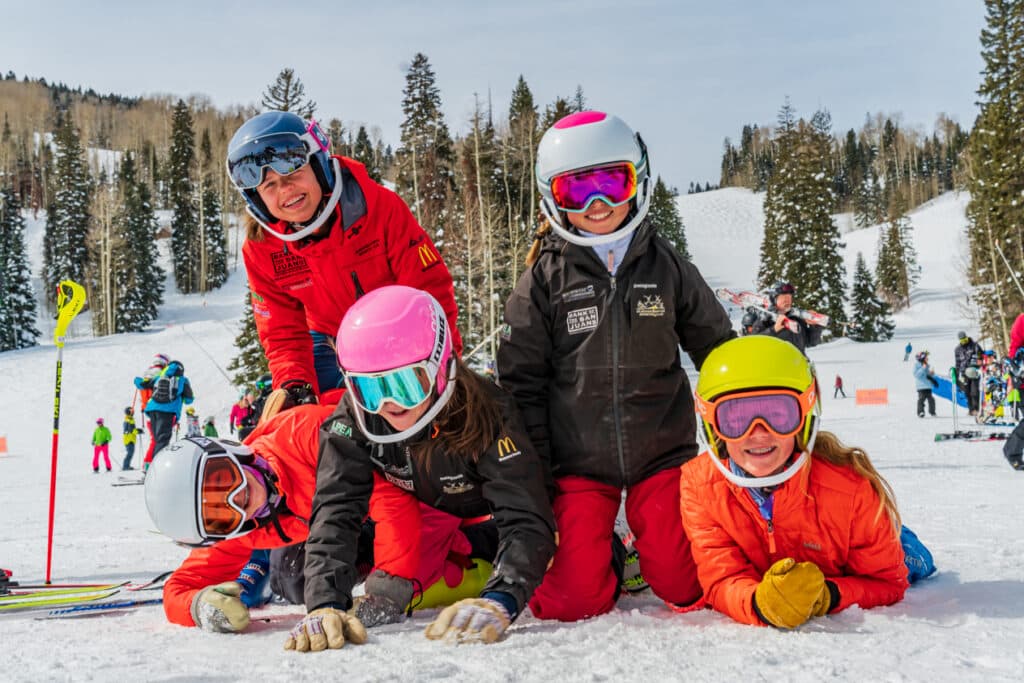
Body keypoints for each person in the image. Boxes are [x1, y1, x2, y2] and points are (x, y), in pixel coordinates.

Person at [496, 111, 735, 623]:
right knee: (569, 602)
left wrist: (738, 425)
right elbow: (520, 384)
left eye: (611, 182)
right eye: (576, 192)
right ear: (551, 198)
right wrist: (535, 472)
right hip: (578, 465)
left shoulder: (665, 265)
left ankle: (650, 547)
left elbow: (719, 348)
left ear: (638, 180)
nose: (598, 204)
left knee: (686, 586)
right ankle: (610, 549)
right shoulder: (543, 280)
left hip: (662, 455)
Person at [289, 286, 555, 651]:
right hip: (426, 506)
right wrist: (323, 603)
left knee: (561, 585)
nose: (388, 404)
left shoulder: (490, 414)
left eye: (404, 384)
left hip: (486, 507)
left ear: (442, 367)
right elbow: (336, 507)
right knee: (293, 573)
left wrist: (502, 598)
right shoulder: (355, 417)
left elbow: (525, 517)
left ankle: (615, 549)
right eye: (368, 389)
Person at [146, 401, 495, 634]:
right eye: (222, 515)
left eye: (223, 478)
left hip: (421, 485)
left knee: (414, 575)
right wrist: (200, 607)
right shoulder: (246, 528)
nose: (238, 498)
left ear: (231, 452)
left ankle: (490, 545)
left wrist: (387, 591)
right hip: (360, 520)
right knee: (296, 579)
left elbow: (391, 501)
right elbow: (178, 588)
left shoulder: (301, 435)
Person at [226, 111, 462, 401]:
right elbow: (282, 332)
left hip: (394, 334)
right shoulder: (263, 248)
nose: (285, 190)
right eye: (269, 186)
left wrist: (444, 366)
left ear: (318, 167)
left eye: (292, 173)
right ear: (257, 199)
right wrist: (295, 385)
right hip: (326, 340)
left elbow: (431, 293)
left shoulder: (378, 209)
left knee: (404, 409)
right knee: (316, 417)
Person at [681, 335, 911, 628]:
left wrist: (828, 596)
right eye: (736, 418)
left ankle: (904, 539)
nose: (759, 433)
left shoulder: (850, 489)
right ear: (712, 427)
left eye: (779, 414)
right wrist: (758, 603)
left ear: (804, 417)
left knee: (914, 559)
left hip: (856, 551)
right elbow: (721, 578)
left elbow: (887, 582)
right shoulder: (699, 486)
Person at [138, 360, 194, 468]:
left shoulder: (160, 376)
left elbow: (143, 384)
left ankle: (150, 468)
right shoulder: (183, 380)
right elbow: (189, 400)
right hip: (168, 412)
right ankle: (156, 470)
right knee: (162, 441)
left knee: (157, 440)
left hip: (152, 410)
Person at [748, 282, 823, 354]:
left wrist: (815, 326)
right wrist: (774, 329)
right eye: (783, 297)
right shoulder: (765, 319)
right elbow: (754, 345)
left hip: (798, 365)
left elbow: (812, 342)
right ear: (774, 299)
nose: (787, 300)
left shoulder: (796, 319)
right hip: (776, 366)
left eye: (789, 297)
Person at [134, 353, 169, 466]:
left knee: (155, 439)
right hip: (159, 409)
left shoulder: (146, 374)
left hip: (147, 410)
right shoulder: (160, 373)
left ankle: (149, 464)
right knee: (157, 440)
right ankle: (149, 464)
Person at [954, 331, 984, 415]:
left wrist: (980, 360)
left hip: (974, 371)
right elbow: (958, 362)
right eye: (962, 340)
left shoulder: (975, 346)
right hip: (964, 373)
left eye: (965, 339)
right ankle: (971, 409)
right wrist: (957, 373)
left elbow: (981, 355)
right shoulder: (958, 349)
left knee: (974, 391)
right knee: (967, 392)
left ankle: (977, 408)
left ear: (967, 337)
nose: (964, 341)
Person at [913, 351, 938, 418]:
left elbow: (927, 375)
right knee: (921, 399)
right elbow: (917, 375)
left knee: (931, 400)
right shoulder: (917, 365)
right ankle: (921, 412)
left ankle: (932, 412)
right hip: (921, 387)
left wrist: (931, 374)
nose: (927, 359)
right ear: (921, 358)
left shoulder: (926, 365)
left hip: (928, 386)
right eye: (926, 358)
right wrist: (923, 368)